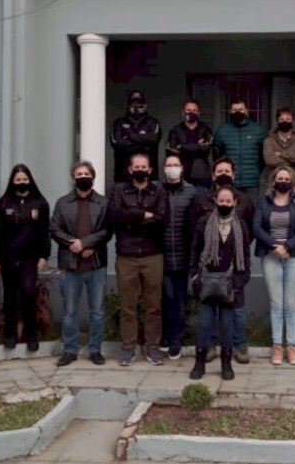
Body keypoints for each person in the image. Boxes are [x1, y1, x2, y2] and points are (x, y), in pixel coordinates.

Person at [189, 156, 256, 364]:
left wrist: (237, 262)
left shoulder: (244, 200)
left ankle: (239, 345)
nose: (224, 174)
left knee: (236, 309)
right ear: (213, 175)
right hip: (209, 267)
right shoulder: (201, 200)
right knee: (208, 312)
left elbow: (249, 231)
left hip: (234, 266)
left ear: (234, 175)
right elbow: (195, 232)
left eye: (228, 171)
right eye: (220, 171)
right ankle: (209, 346)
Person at [109, 152, 169, 366]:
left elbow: (162, 220)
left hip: (153, 255)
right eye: (137, 166)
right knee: (128, 306)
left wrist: (131, 217)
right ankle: (128, 348)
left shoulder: (159, 190)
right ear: (130, 169)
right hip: (127, 256)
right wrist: (144, 215)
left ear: (150, 170)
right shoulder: (119, 190)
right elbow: (116, 216)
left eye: (145, 166)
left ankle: (152, 347)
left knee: (153, 306)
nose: (141, 169)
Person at [50, 161, 111, 366]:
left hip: (96, 264)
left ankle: (95, 350)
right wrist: (73, 244)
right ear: (73, 177)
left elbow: (107, 230)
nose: (82, 176)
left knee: (98, 312)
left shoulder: (103, 203)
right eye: (79, 173)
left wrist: (86, 243)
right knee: (69, 312)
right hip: (70, 264)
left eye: (86, 173)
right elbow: (54, 229)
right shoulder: (62, 202)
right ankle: (70, 349)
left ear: (93, 177)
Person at [253, 164, 295, 366]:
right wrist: (273, 245)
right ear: (273, 181)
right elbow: (257, 226)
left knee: (291, 304)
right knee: (277, 304)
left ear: (292, 182)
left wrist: (287, 246)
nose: (283, 181)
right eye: (280, 178)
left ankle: (292, 345)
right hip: (271, 256)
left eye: (287, 179)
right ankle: (277, 345)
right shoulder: (263, 201)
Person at [0, 164, 51, 352]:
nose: (21, 183)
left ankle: (31, 335)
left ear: (30, 181)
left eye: (24, 180)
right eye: (18, 180)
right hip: (8, 259)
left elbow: (45, 231)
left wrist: (44, 255)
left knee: (28, 296)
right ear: (12, 181)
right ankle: (10, 335)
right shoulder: (3, 204)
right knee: (10, 298)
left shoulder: (40, 203)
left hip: (30, 260)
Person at [161, 153, 197, 360]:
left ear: (182, 168)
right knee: (165, 299)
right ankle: (164, 338)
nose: (172, 168)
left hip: (183, 255)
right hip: (162, 253)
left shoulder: (191, 192)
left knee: (180, 300)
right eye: (169, 165)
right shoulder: (157, 190)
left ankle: (177, 341)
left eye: (176, 165)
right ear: (164, 168)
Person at [212, 99, 266, 203]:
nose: (238, 112)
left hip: (251, 182)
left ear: (246, 111)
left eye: (241, 109)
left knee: (250, 211)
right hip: (229, 181)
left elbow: (263, 156)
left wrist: (256, 171)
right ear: (230, 112)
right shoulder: (222, 131)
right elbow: (217, 156)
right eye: (235, 110)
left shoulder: (258, 130)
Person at [111, 89, 162, 184]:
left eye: (140, 103)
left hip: (150, 178)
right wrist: (143, 144)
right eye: (134, 103)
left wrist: (129, 136)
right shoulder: (119, 123)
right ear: (128, 105)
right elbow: (117, 143)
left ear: (145, 105)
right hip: (123, 177)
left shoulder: (153, 122)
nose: (137, 106)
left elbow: (153, 140)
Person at [165, 99, 214, 190]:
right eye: (188, 110)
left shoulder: (206, 129)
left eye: (194, 110)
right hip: (181, 177)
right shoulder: (175, 130)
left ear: (199, 113)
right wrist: (197, 146)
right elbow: (172, 151)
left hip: (201, 178)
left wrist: (182, 146)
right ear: (183, 113)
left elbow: (205, 149)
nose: (191, 113)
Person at [261, 107, 295, 187]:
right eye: (281, 119)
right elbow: (269, 160)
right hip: (273, 182)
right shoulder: (269, 140)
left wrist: (281, 154)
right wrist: (293, 162)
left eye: (288, 119)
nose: (284, 121)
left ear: (293, 121)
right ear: (277, 121)